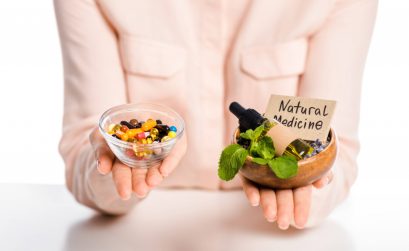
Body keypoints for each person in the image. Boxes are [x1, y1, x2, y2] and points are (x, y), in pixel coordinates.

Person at [54, 0, 377, 230]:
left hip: (260, 235)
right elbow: (84, 159)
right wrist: (118, 163)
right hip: (144, 229)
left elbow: (338, 152)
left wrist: (305, 183)